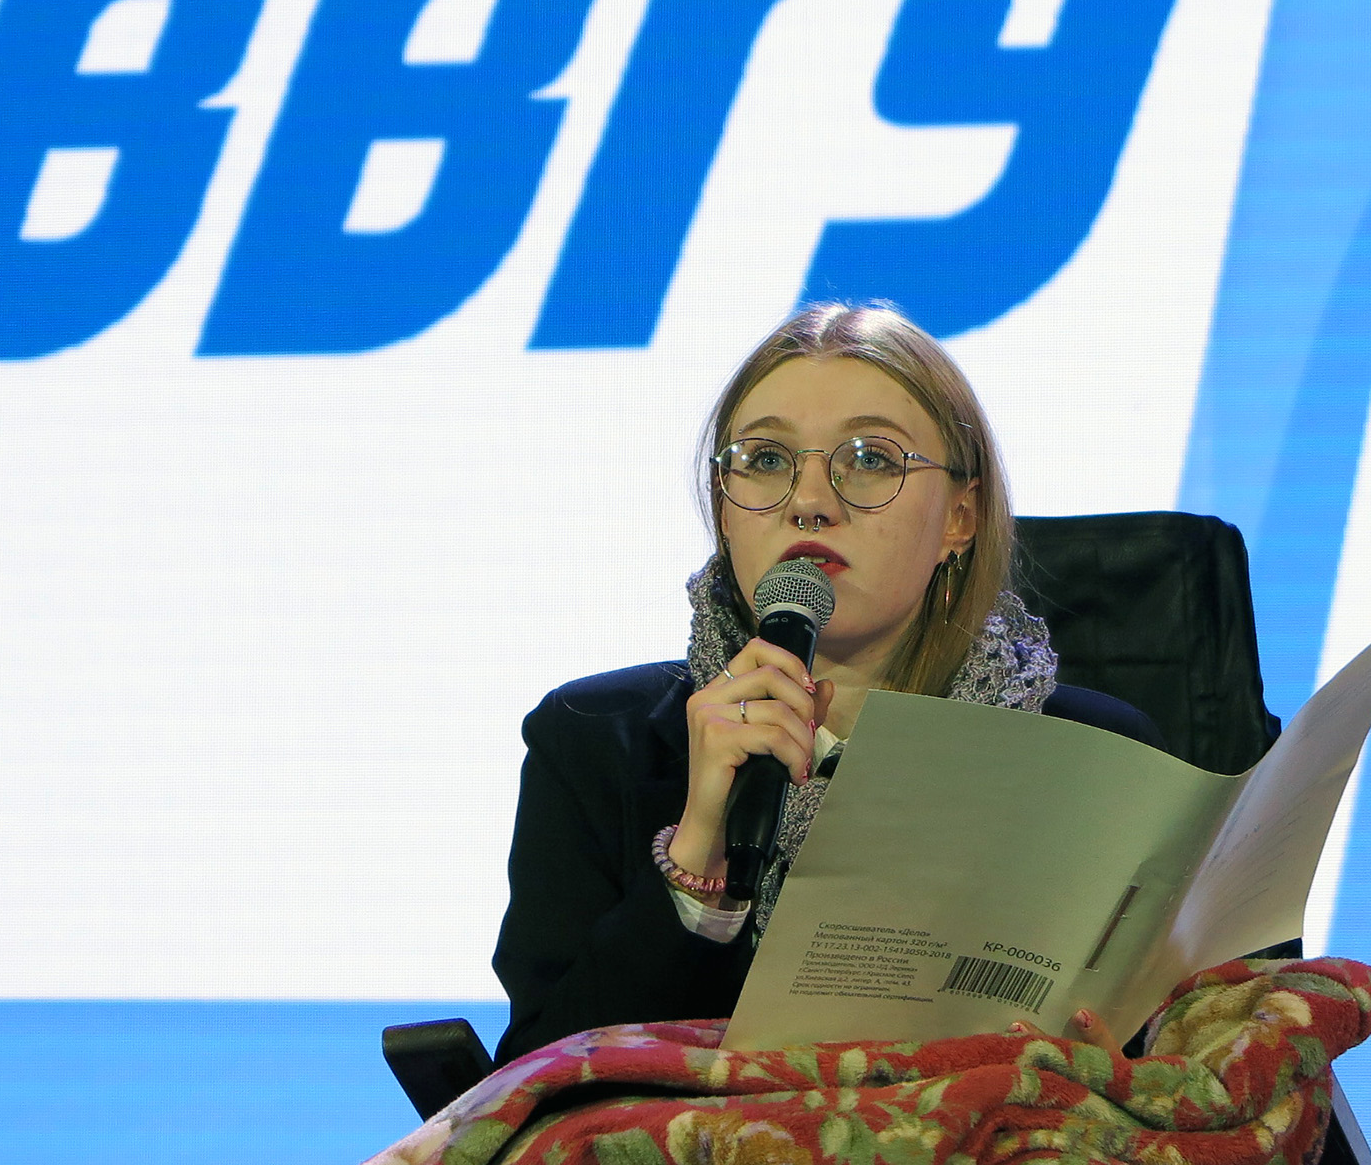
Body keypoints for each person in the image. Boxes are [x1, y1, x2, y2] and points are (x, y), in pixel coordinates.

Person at [491, 303, 1164, 1065]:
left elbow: (1183, 1047)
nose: (809, 502)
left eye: (871, 458)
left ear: (961, 517)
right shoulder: (591, 746)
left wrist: (1126, 1073)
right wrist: (697, 859)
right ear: (724, 509)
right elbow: (533, 1088)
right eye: (766, 459)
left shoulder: (1096, 761)